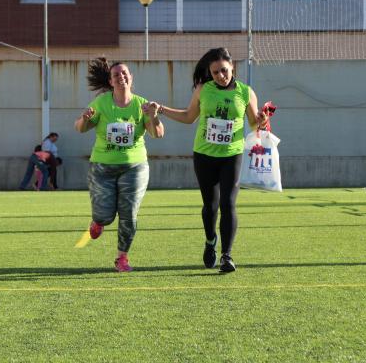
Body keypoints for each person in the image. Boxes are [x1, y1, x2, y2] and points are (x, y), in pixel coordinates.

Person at [149, 47, 268, 273]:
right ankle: (210, 240)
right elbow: (188, 116)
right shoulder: (203, 89)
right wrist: (161, 109)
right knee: (210, 206)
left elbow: (253, 124)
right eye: (215, 73)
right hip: (204, 155)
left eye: (224, 71)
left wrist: (261, 121)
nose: (221, 76)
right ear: (210, 74)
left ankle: (227, 255)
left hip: (231, 155)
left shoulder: (245, 92)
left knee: (228, 204)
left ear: (233, 67)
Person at [74, 57, 164, 272]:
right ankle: (97, 222)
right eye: (116, 75)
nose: (121, 77)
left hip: (135, 167)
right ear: (111, 81)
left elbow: (157, 134)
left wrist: (154, 117)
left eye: (125, 73)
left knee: (129, 214)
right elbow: (79, 128)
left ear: (131, 78)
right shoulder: (101, 103)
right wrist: (85, 119)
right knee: (104, 216)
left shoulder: (142, 105)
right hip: (102, 168)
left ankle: (122, 257)